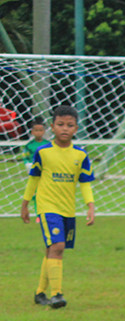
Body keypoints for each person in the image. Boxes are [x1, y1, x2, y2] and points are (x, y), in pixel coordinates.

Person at [20, 106, 95, 309]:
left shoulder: (80, 155)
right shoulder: (43, 152)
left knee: (51, 249)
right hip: (47, 207)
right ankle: (57, 294)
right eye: (60, 124)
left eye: (69, 125)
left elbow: (85, 182)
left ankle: (39, 293)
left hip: (68, 209)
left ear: (76, 128)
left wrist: (90, 206)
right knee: (58, 247)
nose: (65, 129)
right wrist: (25, 204)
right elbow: (33, 179)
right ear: (52, 127)